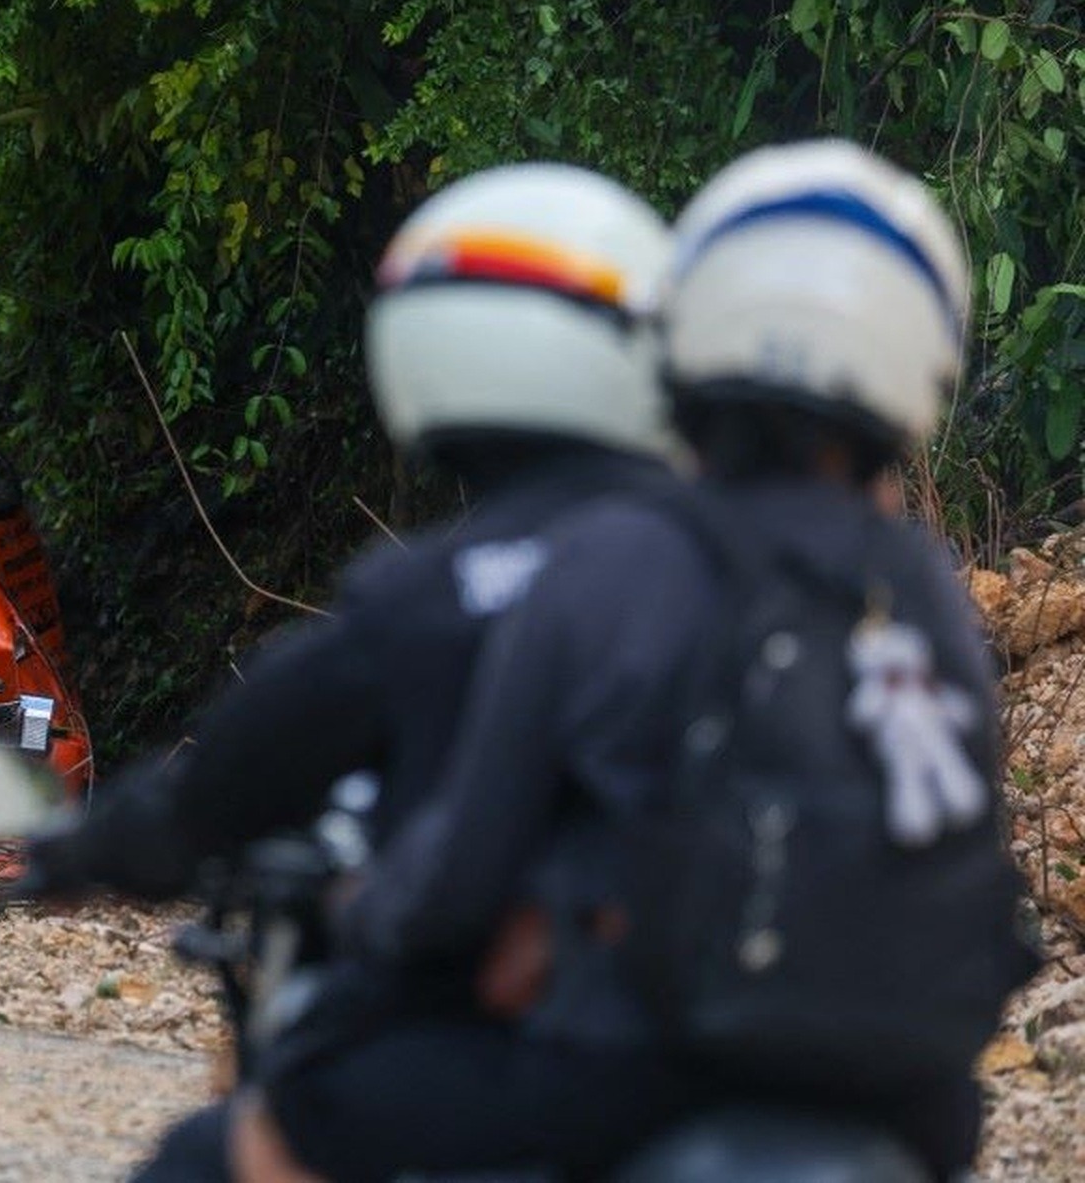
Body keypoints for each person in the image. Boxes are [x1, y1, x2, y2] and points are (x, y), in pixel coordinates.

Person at [237, 138, 1036, 1182]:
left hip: (654, 1061)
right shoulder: (927, 587)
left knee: (287, 1113)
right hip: (919, 1099)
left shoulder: (622, 554)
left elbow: (467, 861)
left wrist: (367, 909)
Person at [20, 162, 683, 1180]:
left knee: (205, 1158)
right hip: (736, 1047)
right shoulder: (734, 566)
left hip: (516, 1050)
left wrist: (94, 845)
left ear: (432, 344)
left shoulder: (433, 595)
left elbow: (227, 779)